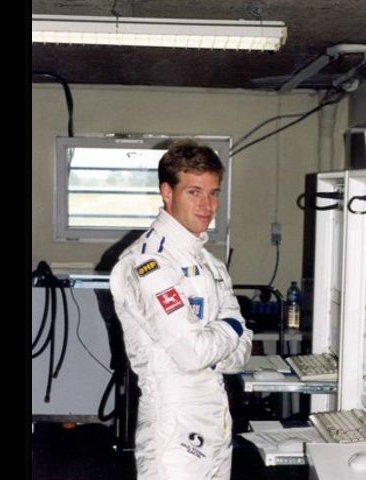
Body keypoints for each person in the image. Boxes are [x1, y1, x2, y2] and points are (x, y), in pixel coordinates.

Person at [110, 139, 253, 480]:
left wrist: (216, 346)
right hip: (174, 426)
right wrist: (230, 327)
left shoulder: (211, 264)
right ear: (167, 192)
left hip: (216, 417)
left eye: (214, 193)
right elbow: (192, 353)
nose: (207, 205)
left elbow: (241, 354)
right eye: (194, 192)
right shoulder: (147, 262)